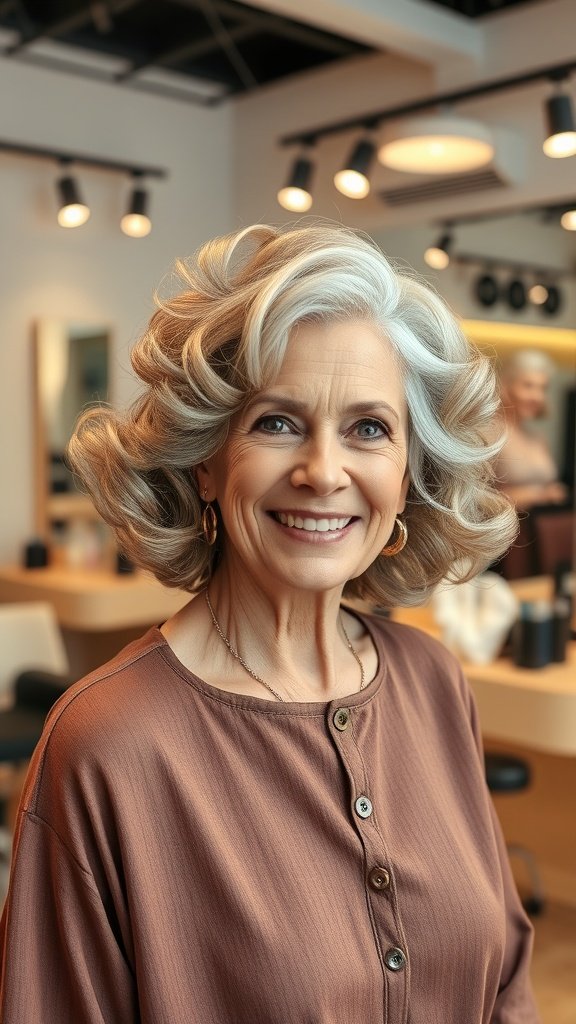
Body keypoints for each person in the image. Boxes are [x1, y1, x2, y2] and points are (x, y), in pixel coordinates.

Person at [0, 223, 540, 1023]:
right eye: (277, 422)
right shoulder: (108, 744)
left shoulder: (432, 681)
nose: (324, 471)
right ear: (206, 461)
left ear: (406, 473)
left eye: (369, 428)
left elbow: (507, 988)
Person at [494, 348, 568, 511]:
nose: (538, 396)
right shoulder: (487, 434)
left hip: (540, 531)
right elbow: (474, 499)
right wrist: (540, 495)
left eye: (543, 388)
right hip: (504, 532)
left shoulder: (537, 437)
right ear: (506, 385)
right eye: (528, 386)